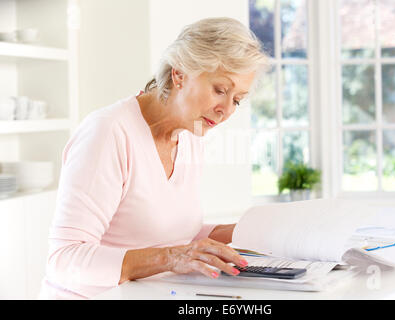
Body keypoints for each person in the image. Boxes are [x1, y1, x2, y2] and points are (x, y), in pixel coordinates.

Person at [39, 17, 269, 299]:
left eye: (236, 99)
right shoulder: (109, 132)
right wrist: (171, 258)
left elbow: (178, 237)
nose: (226, 110)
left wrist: (259, 231)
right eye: (219, 90)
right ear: (180, 74)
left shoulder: (190, 134)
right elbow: (64, 260)